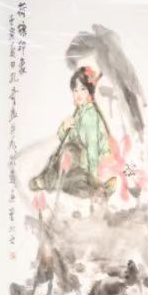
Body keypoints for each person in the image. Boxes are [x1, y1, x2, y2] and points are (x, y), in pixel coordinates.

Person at [30, 66, 118, 199]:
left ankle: (48, 181)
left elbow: (93, 150)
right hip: (79, 159)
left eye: (83, 89)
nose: (78, 94)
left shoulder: (90, 116)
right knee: (64, 153)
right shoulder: (80, 111)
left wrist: (92, 178)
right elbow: (66, 138)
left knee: (71, 179)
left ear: (89, 91)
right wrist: (64, 128)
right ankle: (47, 179)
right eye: (75, 90)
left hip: (91, 164)